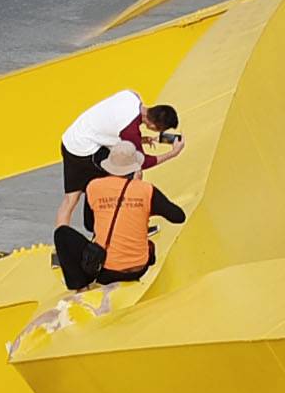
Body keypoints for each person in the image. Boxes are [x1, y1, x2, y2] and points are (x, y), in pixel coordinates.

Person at [53, 123, 187, 288]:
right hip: (140, 268)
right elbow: (178, 217)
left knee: (62, 234)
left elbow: (90, 225)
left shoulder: (94, 186)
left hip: (106, 272)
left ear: (110, 166)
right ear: (135, 168)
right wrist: (141, 209)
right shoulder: (146, 190)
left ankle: (79, 286)